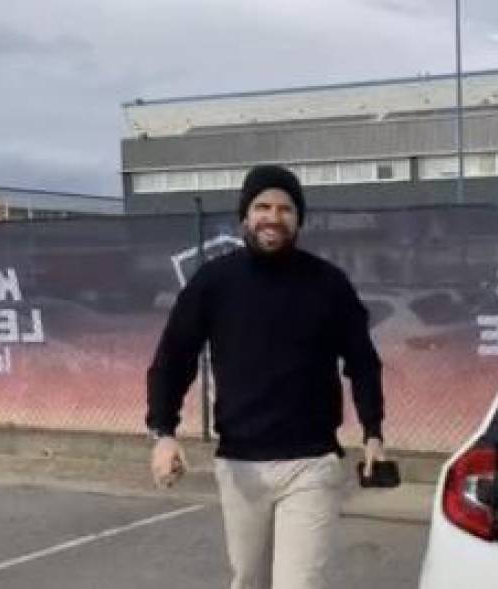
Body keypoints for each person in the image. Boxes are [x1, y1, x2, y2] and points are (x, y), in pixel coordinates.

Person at [145, 164, 385, 589]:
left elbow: (363, 361)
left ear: (298, 218)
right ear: (244, 216)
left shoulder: (328, 284)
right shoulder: (214, 282)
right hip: (239, 466)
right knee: (248, 580)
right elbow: (174, 357)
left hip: (311, 464)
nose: (273, 217)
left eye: (285, 208)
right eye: (262, 206)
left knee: (300, 583)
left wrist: (373, 432)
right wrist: (163, 431)